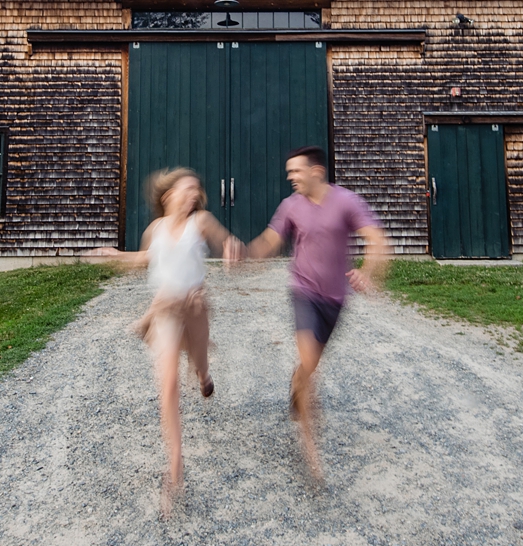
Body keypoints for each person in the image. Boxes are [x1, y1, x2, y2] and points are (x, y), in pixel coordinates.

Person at [89, 168, 242, 514]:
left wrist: (232, 247)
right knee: (168, 383)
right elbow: (145, 259)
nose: (193, 195)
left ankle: (203, 374)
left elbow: (225, 240)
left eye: (196, 191)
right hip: (166, 311)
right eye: (186, 189)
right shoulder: (154, 230)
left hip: (195, 306)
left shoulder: (200, 221)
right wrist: (115, 256)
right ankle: (175, 462)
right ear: (167, 195)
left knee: (200, 363)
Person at [246, 146, 390, 479]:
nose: (290, 177)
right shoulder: (291, 206)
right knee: (311, 363)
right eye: (289, 172)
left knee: (309, 367)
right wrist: (244, 254)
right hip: (303, 291)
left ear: (316, 172)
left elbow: (376, 239)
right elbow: (270, 241)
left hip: (335, 299)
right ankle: (311, 453)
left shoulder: (345, 202)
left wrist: (368, 271)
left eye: (295, 171)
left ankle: (298, 385)